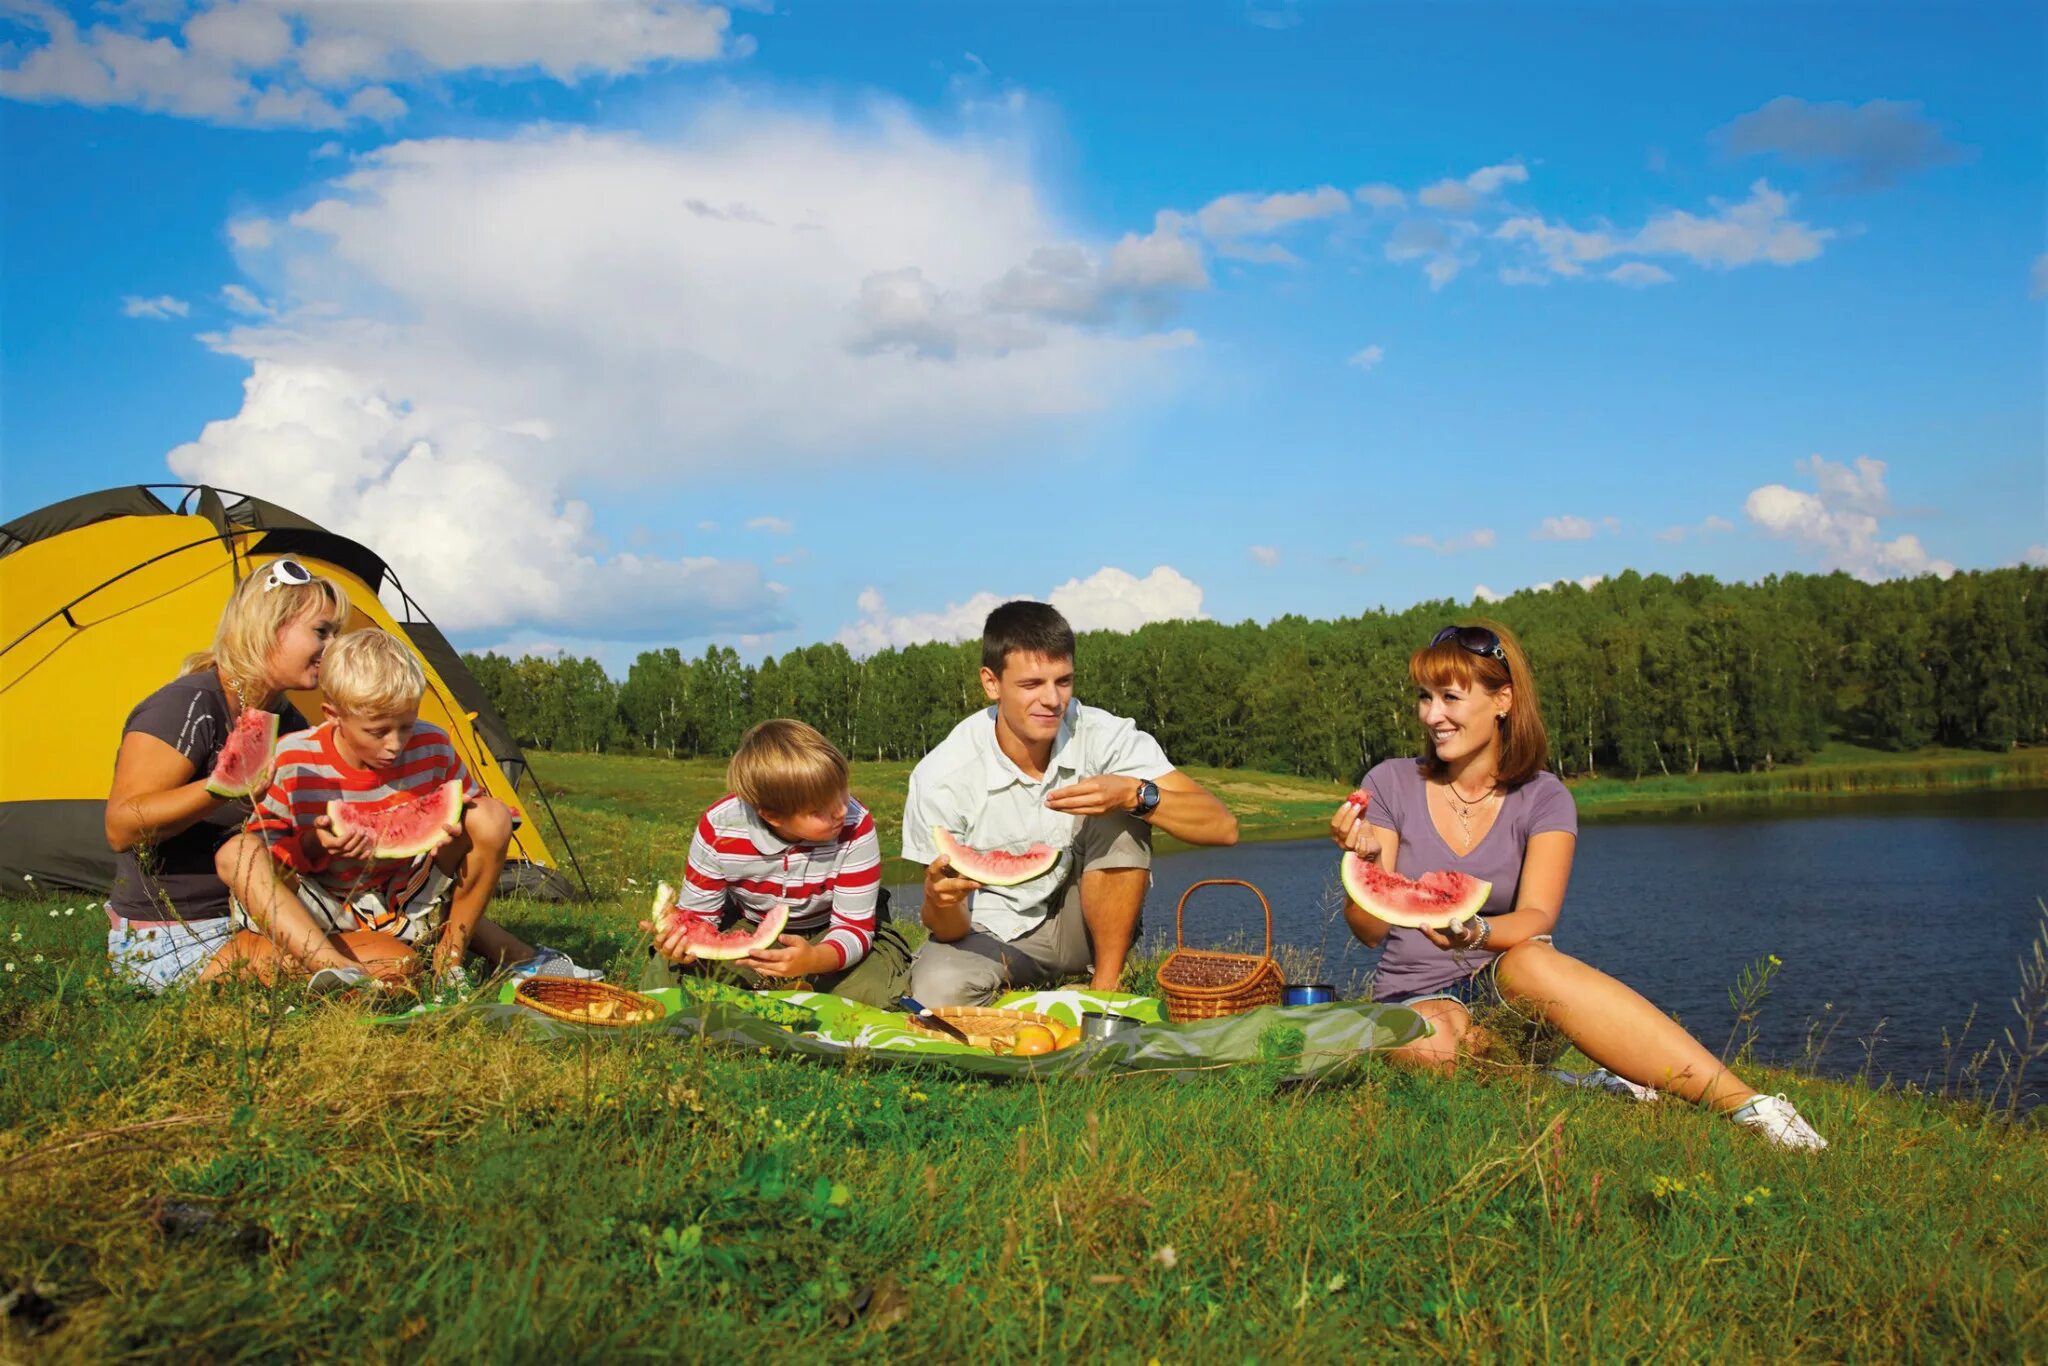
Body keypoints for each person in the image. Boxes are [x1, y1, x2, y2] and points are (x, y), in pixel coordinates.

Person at [1332, 621, 1828, 1150]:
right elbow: (1367, 930)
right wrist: (1367, 866)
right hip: (1416, 1000)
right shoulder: (1389, 783)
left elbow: (1538, 917)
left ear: (1503, 700)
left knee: (1532, 957)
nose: (1433, 715)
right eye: (1424, 698)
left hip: (1513, 997)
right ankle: (1569, 1083)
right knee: (1424, 1048)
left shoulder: (1545, 798)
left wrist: (1474, 933)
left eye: (1450, 698)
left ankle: (1752, 1107)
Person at [212, 628, 597, 990]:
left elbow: (477, 815)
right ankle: (331, 966)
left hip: (403, 897)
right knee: (237, 851)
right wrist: (315, 844)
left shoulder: (432, 745)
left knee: (492, 815)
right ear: (333, 715)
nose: (395, 745)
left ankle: (450, 960)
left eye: (406, 726)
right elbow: (270, 860)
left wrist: (450, 832)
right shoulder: (295, 758)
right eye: (377, 731)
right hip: (319, 900)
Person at [901, 600, 1239, 1007]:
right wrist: (939, 901)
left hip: (1090, 928)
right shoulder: (941, 775)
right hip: (995, 935)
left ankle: (1104, 993)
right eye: (1032, 685)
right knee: (936, 990)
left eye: (1063, 681)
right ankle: (1052, 997)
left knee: (1123, 807)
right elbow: (950, 929)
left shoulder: (1103, 734)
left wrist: (1135, 794)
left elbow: (1223, 827)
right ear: (991, 684)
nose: (1052, 700)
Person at [103, 557, 340, 991]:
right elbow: (121, 826)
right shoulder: (188, 706)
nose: (332, 647)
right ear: (271, 626)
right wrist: (220, 789)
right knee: (355, 962)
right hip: (170, 938)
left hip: (255, 920)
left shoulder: (286, 720)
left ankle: (343, 971)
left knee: (393, 957)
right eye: (321, 632)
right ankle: (343, 975)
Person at [639, 718, 913, 1007]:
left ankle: (775, 994)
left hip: (832, 931)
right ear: (772, 816)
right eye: (820, 810)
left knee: (874, 993)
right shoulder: (720, 828)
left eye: (842, 790)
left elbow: (854, 928)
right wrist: (680, 943)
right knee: (667, 978)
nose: (842, 810)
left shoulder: (857, 823)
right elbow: (699, 919)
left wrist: (814, 959)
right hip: (751, 923)